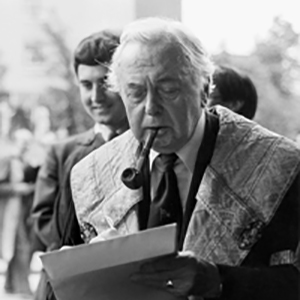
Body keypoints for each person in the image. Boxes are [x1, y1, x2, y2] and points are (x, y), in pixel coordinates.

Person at [71, 17, 300, 300]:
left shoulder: (280, 166)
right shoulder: (88, 176)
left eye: (169, 90)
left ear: (205, 90)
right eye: (136, 93)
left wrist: (219, 281)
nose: (151, 108)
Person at [31, 30, 128, 300]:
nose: (96, 96)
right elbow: (45, 221)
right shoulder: (62, 153)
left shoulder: (150, 149)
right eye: (86, 85)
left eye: (105, 83)